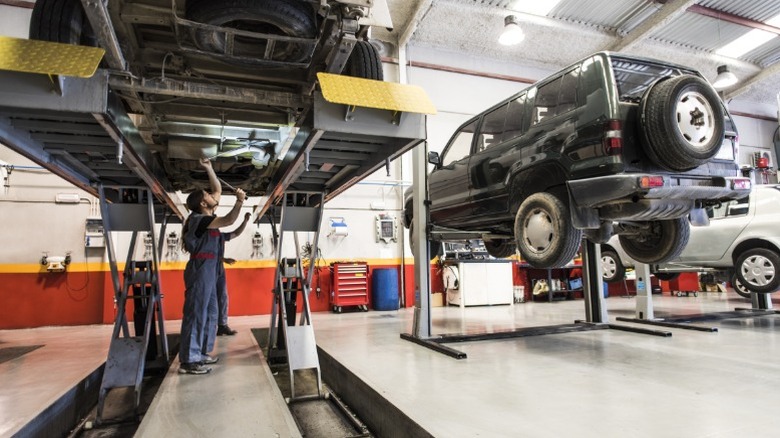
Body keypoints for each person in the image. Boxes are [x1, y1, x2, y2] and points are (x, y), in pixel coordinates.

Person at [179, 158, 246, 375]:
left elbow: (217, 188)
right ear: (203, 203)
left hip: (211, 268)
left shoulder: (207, 215)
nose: (212, 195)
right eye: (207, 196)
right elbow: (228, 220)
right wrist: (239, 202)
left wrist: (208, 167)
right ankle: (189, 360)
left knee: (210, 312)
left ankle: (200, 353)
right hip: (200, 269)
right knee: (196, 312)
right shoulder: (200, 219)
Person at [216, 212, 251, 337]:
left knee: (223, 297)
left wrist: (245, 221)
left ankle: (222, 325)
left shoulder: (220, 236)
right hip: (206, 269)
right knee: (209, 299)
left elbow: (236, 233)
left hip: (219, 270)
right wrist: (224, 259)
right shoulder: (204, 236)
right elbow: (205, 254)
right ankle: (208, 326)